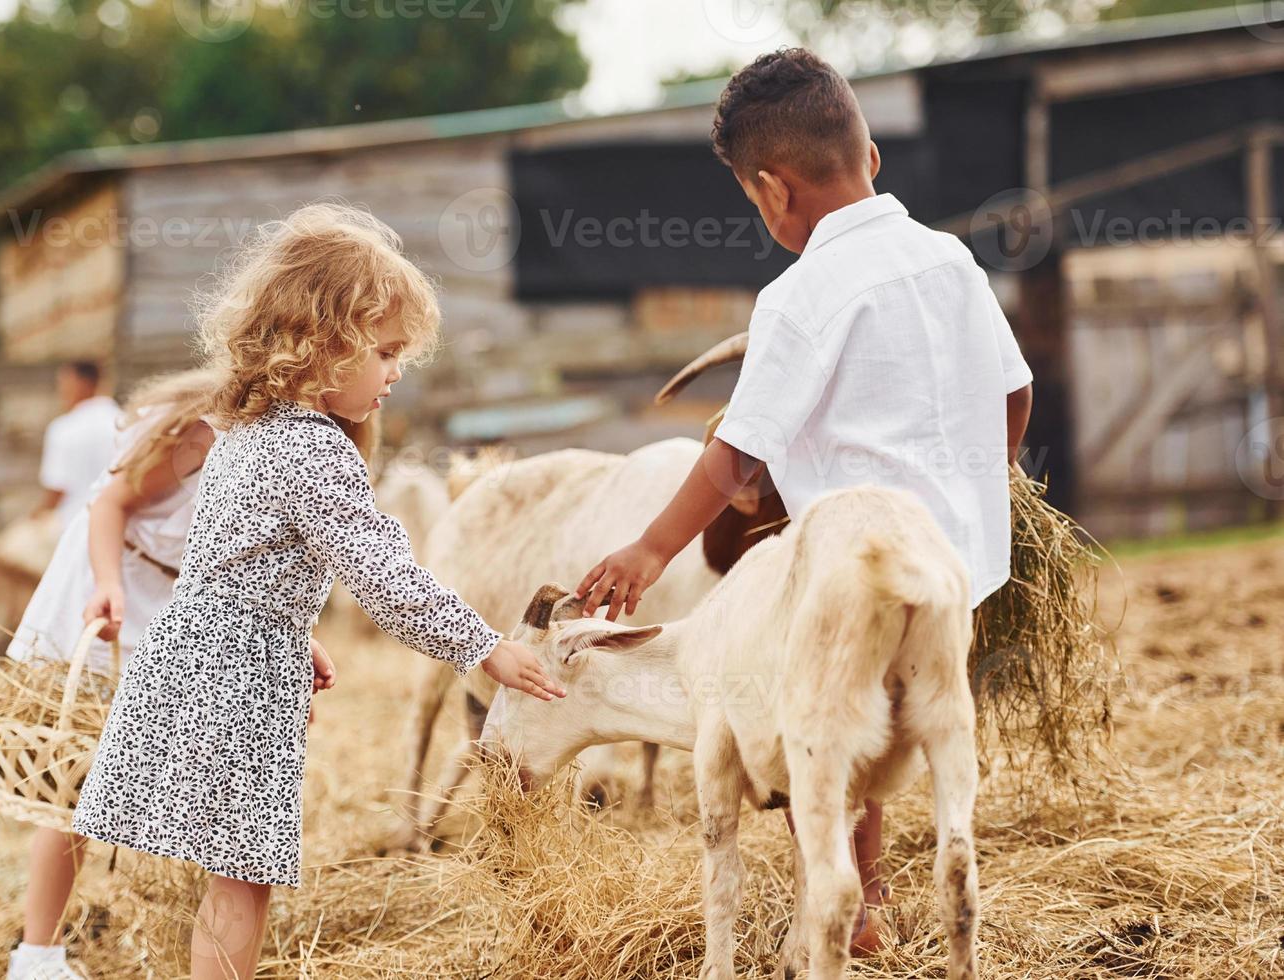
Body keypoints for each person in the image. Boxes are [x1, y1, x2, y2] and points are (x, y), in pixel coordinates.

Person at [573, 48, 1034, 955]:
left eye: (754, 200)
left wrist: (649, 551)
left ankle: (845, 914)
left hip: (846, 568)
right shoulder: (952, 262)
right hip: (949, 566)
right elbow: (1014, 392)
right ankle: (908, 897)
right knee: (920, 725)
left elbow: (735, 456)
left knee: (817, 729)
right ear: (870, 159)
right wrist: (993, 482)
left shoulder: (796, 296)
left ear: (772, 193)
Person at [69, 202, 564, 980]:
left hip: (209, 654)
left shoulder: (250, 431)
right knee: (241, 879)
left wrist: (292, 630)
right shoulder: (311, 451)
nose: (397, 371)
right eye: (386, 350)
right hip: (231, 679)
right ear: (324, 344)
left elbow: (235, 559)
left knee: (238, 875)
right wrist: (484, 648)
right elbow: (386, 579)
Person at [37, 361, 122, 530]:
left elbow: (57, 488)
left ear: (82, 383)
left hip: (75, 526)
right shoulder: (124, 421)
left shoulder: (63, 428)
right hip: (120, 526)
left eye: (64, 383)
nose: (61, 391)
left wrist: (37, 517)